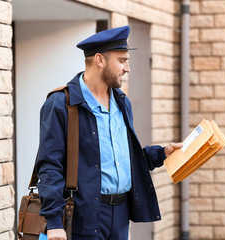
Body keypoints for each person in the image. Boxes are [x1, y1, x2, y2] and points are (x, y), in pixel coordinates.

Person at [35, 26, 182, 240]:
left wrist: (161, 153)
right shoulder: (61, 104)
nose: (128, 68)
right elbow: (49, 166)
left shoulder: (122, 102)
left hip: (121, 215)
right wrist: (54, 222)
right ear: (99, 60)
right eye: (122, 61)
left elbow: (121, 158)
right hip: (82, 216)